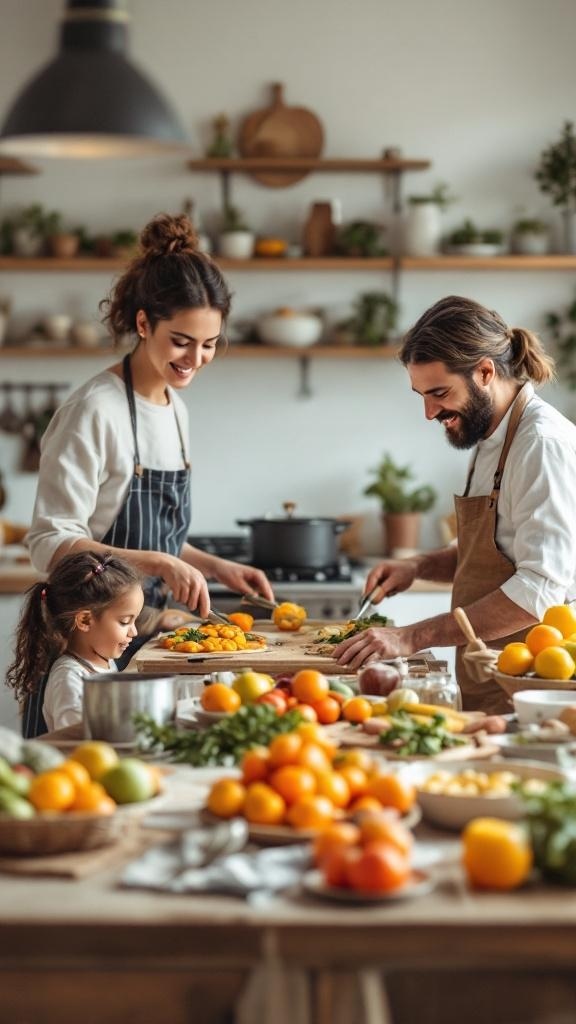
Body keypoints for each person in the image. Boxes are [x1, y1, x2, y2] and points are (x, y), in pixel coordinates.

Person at [26, 213, 275, 662]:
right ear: (143, 324)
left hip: (147, 636)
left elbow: (155, 535)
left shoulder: (174, 408)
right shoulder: (94, 410)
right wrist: (161, 564)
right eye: (181, 341)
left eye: (210, 343)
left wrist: (216, 567)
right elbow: (50, 544)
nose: (195, 359)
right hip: (84, 649)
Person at [334, 295, 576, 713]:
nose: (429, 412)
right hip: (492, 680)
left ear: (485, 371)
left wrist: (411, 637)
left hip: (537, 693)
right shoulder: (490, 437)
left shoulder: (540, 444)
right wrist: (419, 566)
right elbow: (497, 551)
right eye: (421, 395)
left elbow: (541, 588)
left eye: (440, 392)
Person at [6, 550, 144, 736]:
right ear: (85, 621)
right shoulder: (69, 679)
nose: (134, 632)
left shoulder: (102, 661)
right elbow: (78, 742)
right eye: (125, 622)